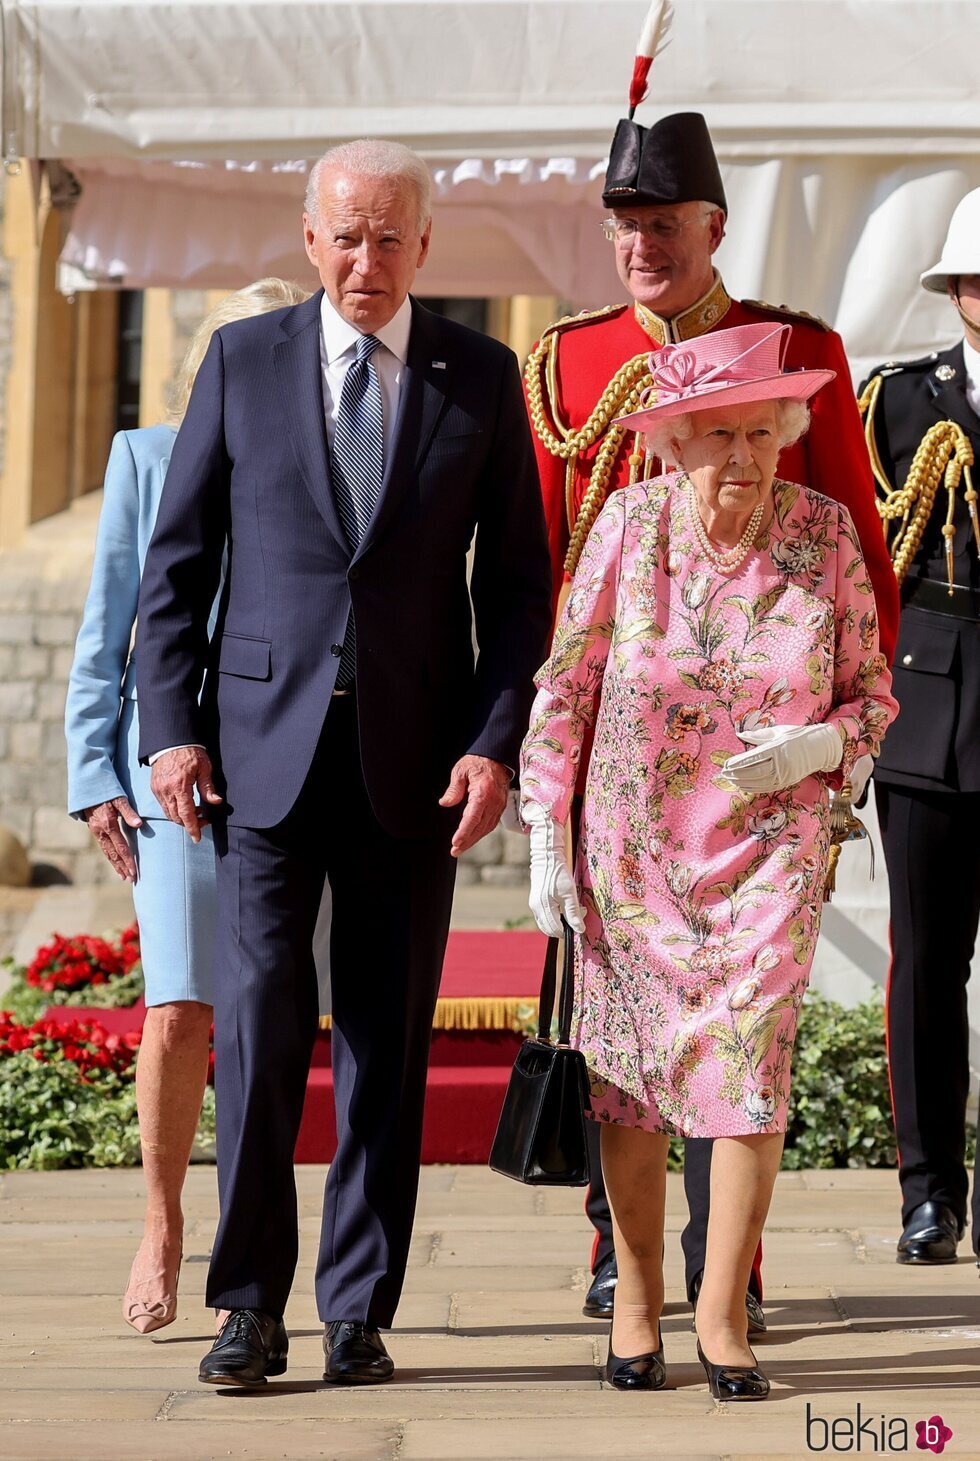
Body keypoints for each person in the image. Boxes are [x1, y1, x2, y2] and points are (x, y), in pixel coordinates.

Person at [134, 139, 552, 1387]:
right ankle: (249, 1308)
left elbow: (521, 593)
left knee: (386, 1042)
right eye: (344, 236)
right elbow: (179, 565)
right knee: (259, 1040)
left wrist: (493, 744)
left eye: (389, 239)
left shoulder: (480, 378)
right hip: (255, 766)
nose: (366, 261)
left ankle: (359, 1309)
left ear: (425, 246)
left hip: (412, 769)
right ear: (307, 240)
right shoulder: (243, 362)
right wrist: (170, 726)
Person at [525, 105, 900, 1326]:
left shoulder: (799, 350)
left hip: (760, 796)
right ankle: (616, 1260)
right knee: (616, 1059)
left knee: (739, 1059)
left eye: (663, 224)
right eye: (624, 225)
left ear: (712, 227)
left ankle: (726, 1278)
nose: (642, 246)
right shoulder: (566, 359)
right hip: (620, 790)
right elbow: (541, 578)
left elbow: (856, 549)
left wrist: (838, 750)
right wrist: (545, 796)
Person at [65, 278, 310, 1335]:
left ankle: (253, 1253)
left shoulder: (319, 459)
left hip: (290, 763)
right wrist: (93, 776)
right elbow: (106, 624)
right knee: (179, 1005)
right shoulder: (144, 457)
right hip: (170, 773)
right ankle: (160, 1224)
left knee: (268, 1017)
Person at [858, 187, 980, 1267]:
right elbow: (865, 557)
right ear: (956, 291)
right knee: (923, 966)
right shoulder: (899, 400)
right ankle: (927, 1192)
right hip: (930, 706)